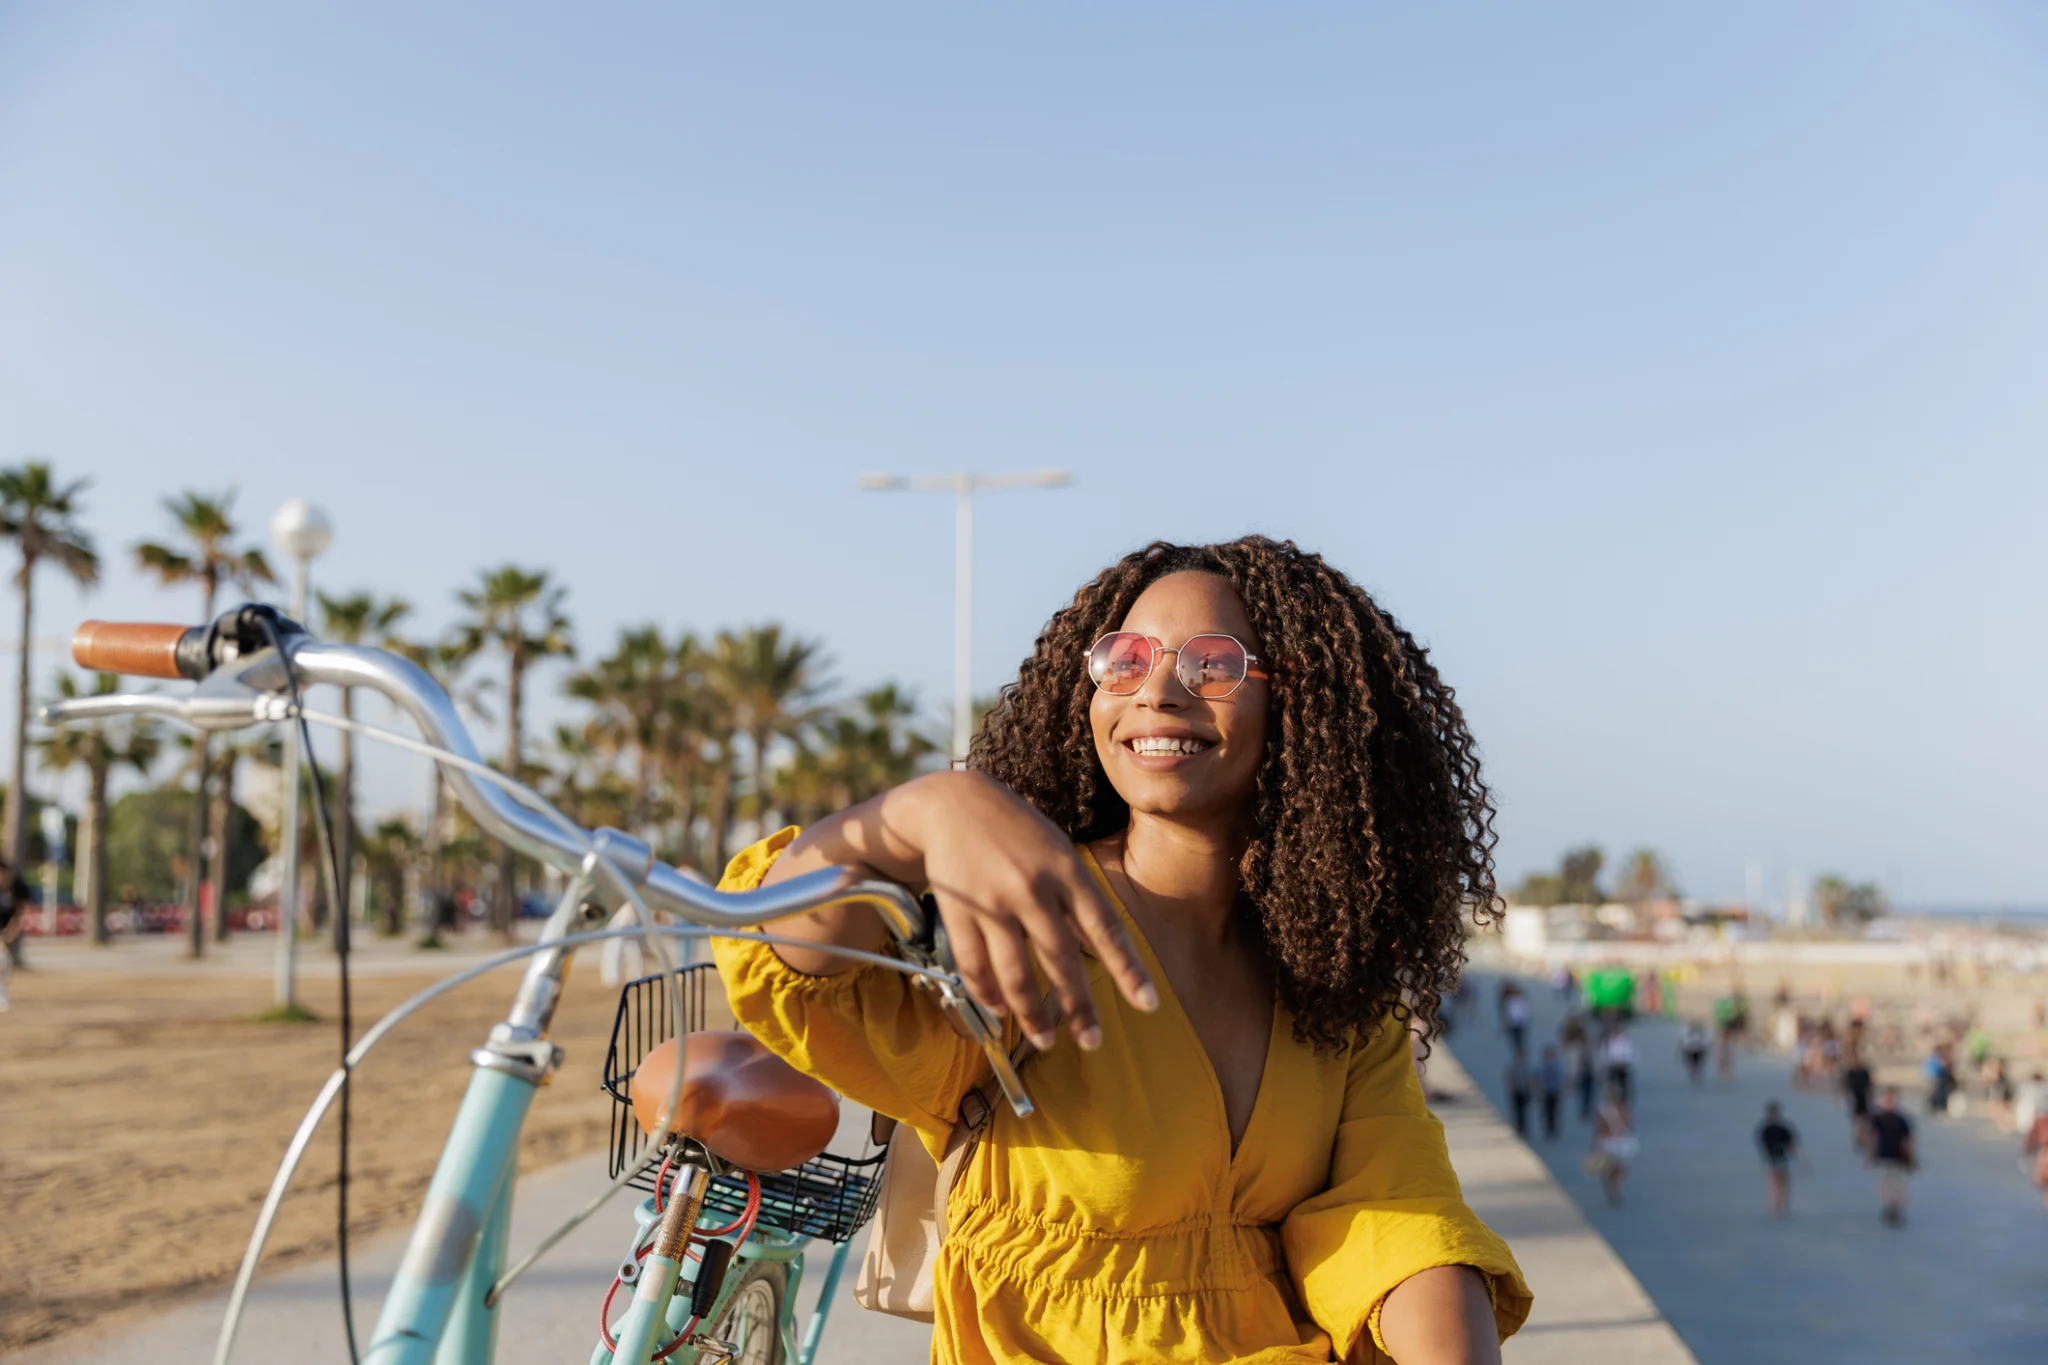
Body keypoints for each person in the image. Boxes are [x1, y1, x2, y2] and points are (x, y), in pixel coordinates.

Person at [713, 538, 1531, 1363]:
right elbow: (788, 950)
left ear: (1304, 706)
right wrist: (927, 811)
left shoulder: (1336, 983)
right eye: (1126, 658)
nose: (1159, 691)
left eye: (1215, 664)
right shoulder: (1021, 923)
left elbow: (1394, 1216)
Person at [1867, 1087, 1915, 1226]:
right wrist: (1872, 1154)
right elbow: (1872, 1137)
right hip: (1883, 1157)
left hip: (1898, 1158)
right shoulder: (1877, 1118)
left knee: (1898, 1186)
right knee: (1885, 1185)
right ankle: (1890, 1207)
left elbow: (1909, 1140)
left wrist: (1910, 1157)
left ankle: (1896, 1209)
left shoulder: (1901, 1120)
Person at [1589, 1084, 1637, 1206]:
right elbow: (1629, 1126)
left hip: (1607, 1142)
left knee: (1610, 1168)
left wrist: (1594, 1144)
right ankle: (1616, 1187)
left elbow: (1598, 1129)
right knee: (1620, 1168)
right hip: (1620, 1143)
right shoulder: (1624, 1109)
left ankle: (1611, 1186)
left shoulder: (1602, 1110)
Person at [1755, 1101, 1800, 1217]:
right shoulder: (1783, 1128)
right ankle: (1782, 1204)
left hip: (1770, 1159)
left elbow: (1761, 1145)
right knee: (1783, 1183)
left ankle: (1775, 1205)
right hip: (1782, 1158)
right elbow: (1792, 1145)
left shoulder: (1765, 1129)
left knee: (1772, 1183)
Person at [1840, 1046, 1874, 1146]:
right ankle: (1857, 1138)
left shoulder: (1864, 1071)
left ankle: (1863, 1138)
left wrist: (1871, 1098)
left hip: (1863, 1097)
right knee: (1856, 1120)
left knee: (1865, 1120)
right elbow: (1846, 1086)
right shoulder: (1850, 1072)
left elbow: (1870, 1085)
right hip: (1854, 1098)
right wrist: (1845, 1098)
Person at [1599, 1024, 1635, 1105]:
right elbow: (1604, 1053)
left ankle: (1623, 1102)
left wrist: (1626, 1061)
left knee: (1623, 1086)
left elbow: (1629, 1052)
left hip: (1622, 1066)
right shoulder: (1608, 1040)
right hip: (1611, 1066)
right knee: (1611, 1086)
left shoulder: (1624, 1040)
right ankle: (1611, 1102)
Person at [1539, 1044, 1565, 1141]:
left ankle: (1553, 1129)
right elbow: (1540, 1080)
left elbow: (1559, 1080)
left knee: (1554, 1111)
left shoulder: (1556, 1067)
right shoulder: (1543, 1067)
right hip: (1546, 1092)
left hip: (1554, 1091)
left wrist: (1560, 1090)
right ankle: (1548, 1128)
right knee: (1547, 1112)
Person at [1505, 1049, 1533, 1138]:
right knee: (1517, 1111)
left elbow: (1530, 1081)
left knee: (1524, 1112)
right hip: (1516, 1092)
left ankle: (1523, 1129)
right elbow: (1510, 1080)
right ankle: (1517, 1128)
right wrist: (1511, 1090)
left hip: (1524, 1092)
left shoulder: (1526, 1068)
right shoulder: (1513, 1068)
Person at [1502, 985, 1531, 1055]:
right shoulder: (1509, 1001)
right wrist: (1505, 1023)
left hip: (1521, 1023)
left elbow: (1525, 1012)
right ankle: (1517, 1051)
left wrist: (1525, 1021)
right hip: (1512, 1023)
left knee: (1520, 1038)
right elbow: (1507, 1013)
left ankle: (1520, 1052)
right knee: (1514, 1038)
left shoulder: (1522, 1001)